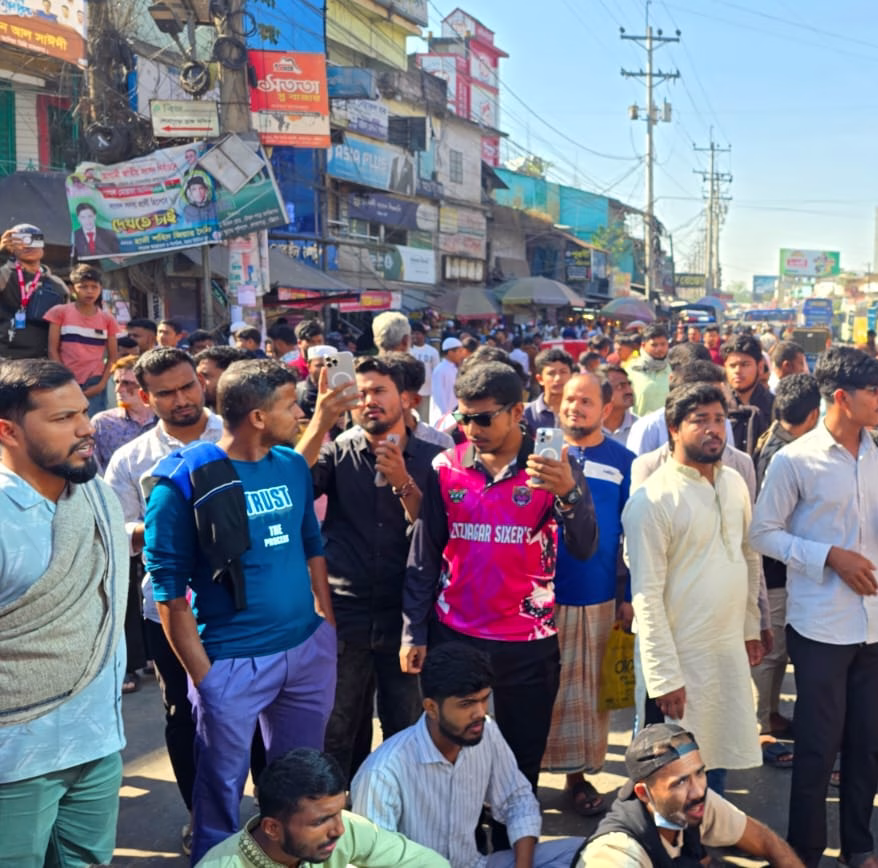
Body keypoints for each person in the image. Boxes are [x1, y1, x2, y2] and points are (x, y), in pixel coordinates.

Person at [144, 359, 344, 862]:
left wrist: (325, 626)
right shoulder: (184, 481)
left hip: (305, 651)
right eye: (289, 404)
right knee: (220, 792)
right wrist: (205, 679)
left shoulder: (293, 464)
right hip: (231, 663)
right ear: (257, 416)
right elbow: (167, 592)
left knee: (300, 781)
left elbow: (311, 543)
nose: (300, 411)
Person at [751, 346, 878, 868]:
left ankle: (859, 847)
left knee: (867, 747)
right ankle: (804, 851)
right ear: (842, 398)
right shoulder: (794, 460)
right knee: (818, 748)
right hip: (822, 624)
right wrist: (828, 557)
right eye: (874, 393)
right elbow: (763, 533)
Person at [403, 362, 599, 790]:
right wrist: (413, 631)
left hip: (527, 646)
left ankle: (514, 850)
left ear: (517, 413)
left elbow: (585, 546)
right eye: (463, 417)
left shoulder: (552, 469)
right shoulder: (445, 466)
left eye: (484, 417)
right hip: (454, 638)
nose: (472, 428)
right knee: (453, 760)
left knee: (519, 764)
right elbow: (425, 553)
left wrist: (569, 493)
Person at [0, 359, 128, 868]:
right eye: (61, 419)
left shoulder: (94, 493)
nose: (84, 429)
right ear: (7, 430)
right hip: (16, 759)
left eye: (83, 412)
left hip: (98, 741)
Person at [302, 355, 444, 781]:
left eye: (379, 391)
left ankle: (401, 821)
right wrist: (318, 420)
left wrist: (403, 482)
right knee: (338, 727)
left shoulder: (438, 460)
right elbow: (290, 482)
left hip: (410, 617)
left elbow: (439, 534)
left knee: (407, 727)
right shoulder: (336, 452)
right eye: (360, 394)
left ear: (404, 397)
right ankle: (338, 821)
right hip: (344, 616)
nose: (369, 402)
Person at [624, 381, 763, 794]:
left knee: (717, 753)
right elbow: (645, 595)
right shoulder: (653, 499)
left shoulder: (734, 483)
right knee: (672, 773)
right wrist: (664, 677)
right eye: (699, 420)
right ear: (673, 428)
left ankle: (706, 844)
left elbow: (747, 556)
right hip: (678, 663)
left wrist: (751, 628)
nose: (713, 429)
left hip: (724, 652)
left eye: (719, 419)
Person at [103, 347, 219, 841]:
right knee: (184, 714)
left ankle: (265, 816)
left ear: (201, 381)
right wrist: (158, 528)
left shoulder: (237, 437)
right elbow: (113, 526)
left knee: (253, 713)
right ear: (146, 398)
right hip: (167, 610)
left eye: (188, 386)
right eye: (166, 393)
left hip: (240, 604)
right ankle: (203, 813)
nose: (182, 399)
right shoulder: (132, 460)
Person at [352, 643, 582, 868]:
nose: (480, 713)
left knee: (591, 852)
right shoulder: (383, 773)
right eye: (466, 703)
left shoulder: (485, 730)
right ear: (431, 708)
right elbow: (373, 860)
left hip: (475, 863)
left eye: (484, 699)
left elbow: (517, 800)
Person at [544, 373, 635, 815]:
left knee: (584, 696)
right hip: (534, 595)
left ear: (606, 408)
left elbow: (634, 537)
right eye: (566, 399)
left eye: (584, 400)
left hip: (596, 593)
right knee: (536, 689)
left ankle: (576, 778)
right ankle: (514, 778)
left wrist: (630, 593)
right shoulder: (538, 454)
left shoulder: (625, 462)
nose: (573, 407)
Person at [572, 723, 804, 868]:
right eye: (680, 782)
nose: (698, 791)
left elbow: (767, 841)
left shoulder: (694, 801)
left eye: (699, 773)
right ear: (644, 793)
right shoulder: (616, 854)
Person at [196, 748, 447, 868]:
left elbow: (431, 864)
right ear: (272, 828)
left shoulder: (343, 828)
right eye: (319, 822)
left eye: (338, 811)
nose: (338, 829)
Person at [752, 374, 821, 763]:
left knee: (775, 650)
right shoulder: (782, 452)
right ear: (813, 414)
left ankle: (772, 714)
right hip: (775, 568)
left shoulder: (778, 439)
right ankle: (761, 726)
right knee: (772, 651)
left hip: (780, 565)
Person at [44, 263, 118, 414]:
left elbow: (113, 356)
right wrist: (63, 379)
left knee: (93, 427)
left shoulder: (107, 319)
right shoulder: (59, 312)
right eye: (84, 286)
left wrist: (102, 384)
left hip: (94, 382)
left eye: (94, 287)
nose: (89, 291)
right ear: (72, 289)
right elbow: (52, 349)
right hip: (65, 380)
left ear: (100, 289)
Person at [0, 224, 69, 361]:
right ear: (12, 247)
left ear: (43, 247)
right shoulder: (3, 275)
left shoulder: (58, 284)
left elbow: (66, 326)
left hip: (42, 360)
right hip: (5, 358)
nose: (28, 246)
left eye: (34, 240)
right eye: (21, 240)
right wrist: (1, 252)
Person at [90, 354, 158, 470]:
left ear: (145, 386)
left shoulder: (165, 421)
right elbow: (93, 468)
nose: (118, 389)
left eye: (126, 383)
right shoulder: (102, 423)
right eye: (116, 382)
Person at [725, 333, 774, 454]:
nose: (737, 371)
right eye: (732, 365)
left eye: (745, 365)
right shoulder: (719, 408)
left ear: (760, 367)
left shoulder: (774, 407)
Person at [526, 348, 575, 432]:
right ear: (540, 379)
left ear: (571, 376)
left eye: (563, 372)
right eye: (551, 373)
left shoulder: (579, 412)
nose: (558, 378)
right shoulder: (527, 414)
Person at [627, 323, 672, 417]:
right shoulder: (632, 370)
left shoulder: (673, 369)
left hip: (666, 427)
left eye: (663, 344)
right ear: (643, 345)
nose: (659, 349)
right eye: (654, 345)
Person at [428, 338, 468, 426]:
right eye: (459, 351)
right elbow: (439, 397)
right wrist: (446, 416)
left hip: (455, 414)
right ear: (450, 352)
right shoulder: (440, 370)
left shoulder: (455, 368)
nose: (462, 354)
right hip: (444, 416)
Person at [602, 365, 637, 442]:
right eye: (620, 386)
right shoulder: (588, 429)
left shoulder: (640, 427)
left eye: (629, 384)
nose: (629, 391)